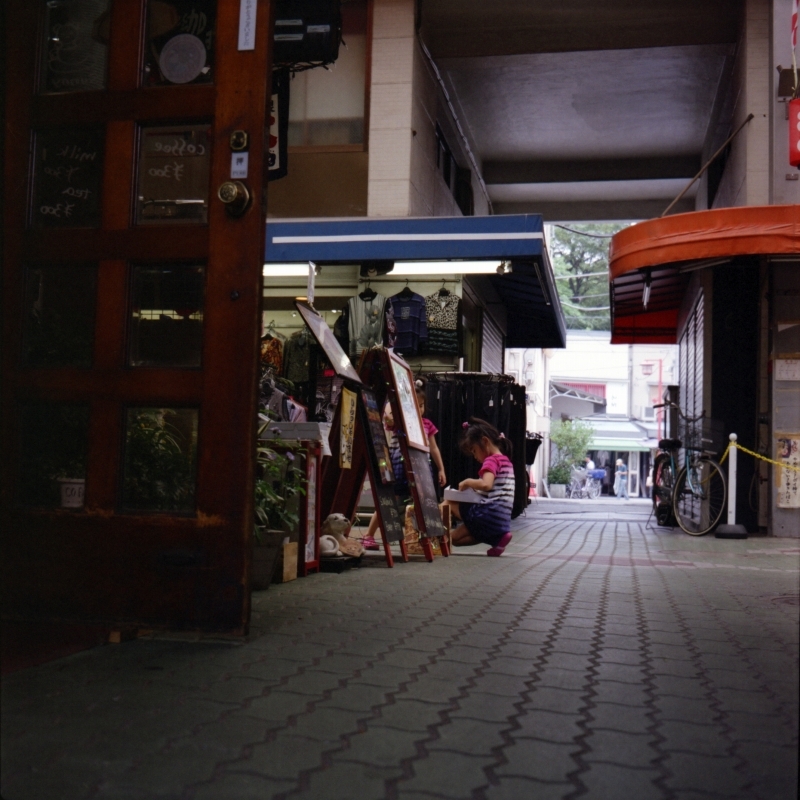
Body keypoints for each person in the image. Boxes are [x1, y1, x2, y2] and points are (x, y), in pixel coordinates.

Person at [446, 417, 515, 557]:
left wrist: (468, 482)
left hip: (486, 515)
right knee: (456, 540)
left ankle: (434, 537)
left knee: (449, 503)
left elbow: (486, 484)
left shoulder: (491, 460)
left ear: (485, 442)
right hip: (501, 522)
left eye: (474, 451)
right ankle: (496, 540)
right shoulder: (506, 461)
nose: (475, 456)